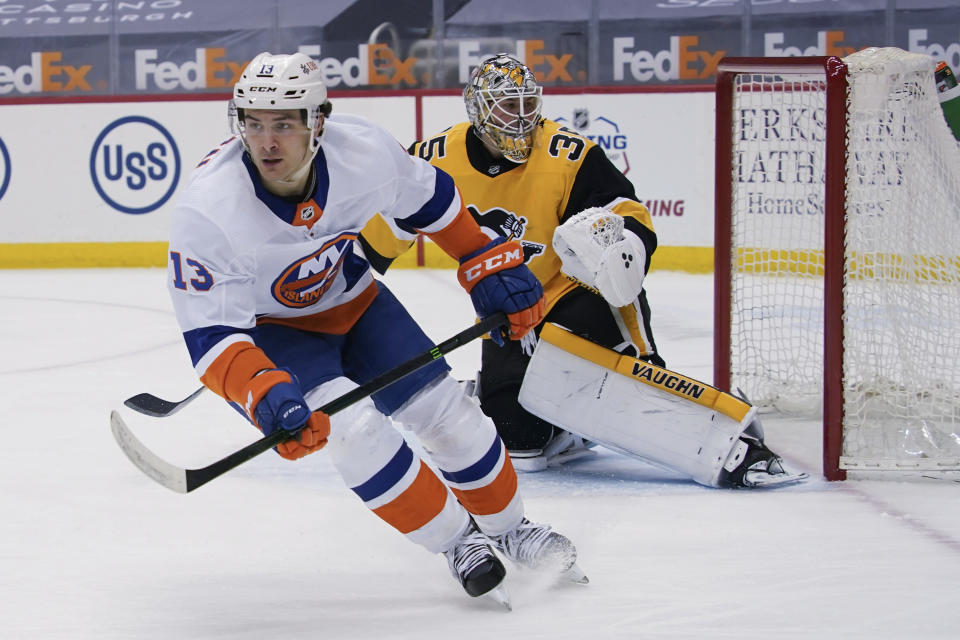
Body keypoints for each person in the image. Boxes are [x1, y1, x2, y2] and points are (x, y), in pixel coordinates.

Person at [165, 51, 586, 607]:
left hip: (357, 302)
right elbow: (212, 336)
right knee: (356, 432)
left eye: (285, 123)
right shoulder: (210, 209)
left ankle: (511, 527)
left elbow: (430, 200)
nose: (267, 142)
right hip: (277, 331)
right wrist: (261, 391)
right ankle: (460, 543)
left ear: (319, 121)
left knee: (448, 413)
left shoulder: (361, 150)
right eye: (254, 122)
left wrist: (482, 260)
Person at [359, 53, 805, 488]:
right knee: (520, 446)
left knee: (631, 388)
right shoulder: (436, 158)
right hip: (508, 311)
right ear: (478, 110)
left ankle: (720, 428)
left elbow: (627, 212)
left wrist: (623, 242)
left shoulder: (566, 154)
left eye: (527, 104)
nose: (520, 118)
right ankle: (567, 421)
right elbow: (382, 234)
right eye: (507, 106)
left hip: (577, 294)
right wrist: (337, 292)